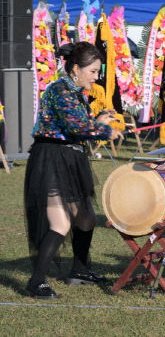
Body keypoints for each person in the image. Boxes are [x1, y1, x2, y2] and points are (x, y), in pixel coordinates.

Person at [24, 42, 122, 299]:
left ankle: (79, 270)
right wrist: (103, 130)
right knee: (60, 222)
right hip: (52, 159)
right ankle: (36, 283)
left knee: (86, 218)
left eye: (98, 71)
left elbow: (78, 125)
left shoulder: (75, 92)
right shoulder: (59, 90)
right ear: (75, 69)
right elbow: (73, 126)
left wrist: (97, 121)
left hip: (71, 158)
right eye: (92, 71)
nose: (96, 76)